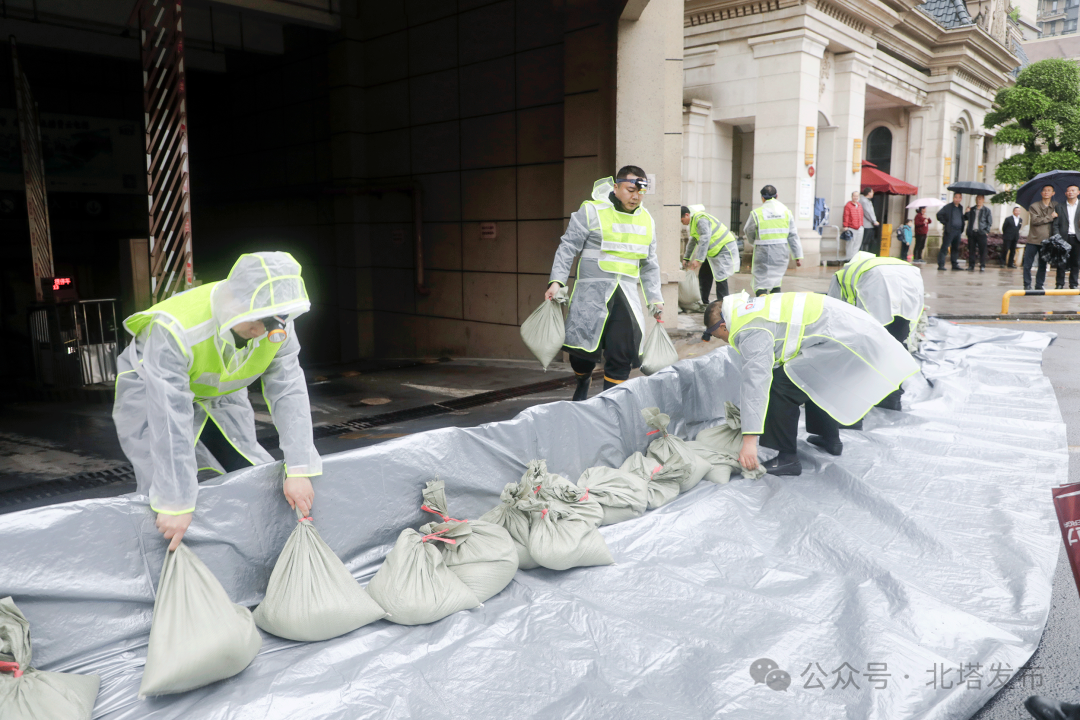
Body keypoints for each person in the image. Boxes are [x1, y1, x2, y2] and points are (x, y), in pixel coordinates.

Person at [113, 252, 321, 550]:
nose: (262, 332)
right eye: (256, 320)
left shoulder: (277, 322)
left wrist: (299, 469)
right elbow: (171, 419)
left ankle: (246, 549)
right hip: (152, 388)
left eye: (273, 320)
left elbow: (289, 391)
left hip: (219, 384)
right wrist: (176, 501)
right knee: (163, 488)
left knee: (243, 462)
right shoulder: (176, 329)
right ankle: (166, 559)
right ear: (234, 302)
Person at [700, 292, 919, 477]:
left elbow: (755, 383)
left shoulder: (749, 328)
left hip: (848, 343)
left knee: (781, 385)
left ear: (722, 324)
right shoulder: (752, 308)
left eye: (717, 335)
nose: (723, 340)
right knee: (807, 377)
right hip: (853, 334)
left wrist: (749, 441)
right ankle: (829, 438)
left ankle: (787, 458)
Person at [546, 167, 663, 402]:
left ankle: (609, 409)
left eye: (641, 192)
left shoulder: (647, 219)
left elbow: (649, 264)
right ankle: (583, 379)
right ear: (616, 187)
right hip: (591, 296)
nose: (636, 196)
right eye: (631, 190)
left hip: (626, 298)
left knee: (622, 355)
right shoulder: (591, 211)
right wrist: (556, 281)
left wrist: (655, 298)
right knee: (581, 354)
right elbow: (568, 246)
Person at [826, 251, 924, 411]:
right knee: (896, 346)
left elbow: (833, 307)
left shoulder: (844, 273)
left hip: (877, 291)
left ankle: (857, 406)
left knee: (867, 350)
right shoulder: (885, 263)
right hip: (911, 280)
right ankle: (892, 400)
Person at [743, 185, 803, 296]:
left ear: (762, 198)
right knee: (776, 281)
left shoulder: (757, 213)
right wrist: (797, 256)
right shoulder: (786, 212)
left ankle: (762, 303)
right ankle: (774, 307)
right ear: (777, 196)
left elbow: (748, 230)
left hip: (763, 251)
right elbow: (793, 235)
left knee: (760, 282)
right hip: (781, 252)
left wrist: (754, 242)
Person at [681, 204, 739, 305]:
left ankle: (723, 304)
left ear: (687, 215)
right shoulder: (693, 222)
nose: (682, 223)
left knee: (720, 276)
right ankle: (704, 302)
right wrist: (686, 257)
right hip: (713, 250)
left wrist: (699, 259)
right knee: (704, 274)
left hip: (723, 247)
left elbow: (705, 238)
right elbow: (693, 240)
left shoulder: (700, 219)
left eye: (682, 220)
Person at [1025, 184, 1059, 290]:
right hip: (1033, 239)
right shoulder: (1034, 206)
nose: (1046, 192)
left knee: (1043, 264)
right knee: (1027, 264)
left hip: (1047, 241)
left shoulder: (1056, 206)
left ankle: (1039, 285)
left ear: (1053, 193)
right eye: (1044, 190)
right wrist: (1050, 217)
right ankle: (1027, 284)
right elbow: (1035, 221)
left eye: (1049, 190)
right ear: (1041, 193)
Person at [1054, 183, 1080, 289]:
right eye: (1069, 190)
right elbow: (1055, 224)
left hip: (1077, 238)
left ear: (1078, 192)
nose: (1071, 192)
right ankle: (1059, 283)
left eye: (1073, 190)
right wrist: (1057, 237)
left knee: (1076, 262)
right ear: (1065, 193)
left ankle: (1073, 284)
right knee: (1061, 262)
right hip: (1063, 238)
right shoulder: (1059, 206)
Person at [936, 193, 965, 271]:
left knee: (955, 248)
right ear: (953, 198)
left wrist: (967, 213)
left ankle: (954, 264)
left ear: (961, 199)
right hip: (950, 230)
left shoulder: (960, 208)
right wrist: (946, 222)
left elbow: (962, 218)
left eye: (959, 197)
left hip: (958, 230)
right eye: (956, 197)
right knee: (945, 247)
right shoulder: (948, 207)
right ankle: (941, 264)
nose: (957, 199)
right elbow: (939, 214)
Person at [964, 194, 992, 272]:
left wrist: (986, 231)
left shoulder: (987, 210)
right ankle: (971, 265)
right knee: (971, 250)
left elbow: (989, 222)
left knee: (982, 250)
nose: (978, 201)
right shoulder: (972, 209)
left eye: (980, 199)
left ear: (983, 200)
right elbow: (966, 218)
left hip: (982, 233)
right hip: (972, 232)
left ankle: (982, 265)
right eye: (977, 199)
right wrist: (967, 212)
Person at [842, 191, 864, 261]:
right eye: (854, 196)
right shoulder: (848, 205)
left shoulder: (859, 205)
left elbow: (861, 215)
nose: (856, 198)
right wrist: (845, 225)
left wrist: (862, 225)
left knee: (857, 243)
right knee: (850, 244)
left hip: (860, 226)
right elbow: (846, 216)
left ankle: (854, 259)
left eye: (857, 196)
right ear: (851, 197)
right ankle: (849, 258)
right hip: (852, 227)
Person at [859, 188, 880, 253]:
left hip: (869, 224)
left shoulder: (867, 201)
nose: (873, 194)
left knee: (867, 242)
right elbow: (867, 212)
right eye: (872, 192)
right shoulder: (864, 201)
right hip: (866, 225)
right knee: (864, 242)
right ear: (868, 193)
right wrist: (874, 221)